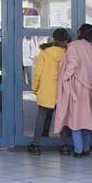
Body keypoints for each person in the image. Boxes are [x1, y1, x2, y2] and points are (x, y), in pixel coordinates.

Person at [53, 23, 92, 157]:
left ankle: (78, 150)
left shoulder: (72, 46)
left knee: (76, 120)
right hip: (89, 87)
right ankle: (86, 148)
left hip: (76, 87)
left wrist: (65, 78)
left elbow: (73, 64)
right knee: (88, 120)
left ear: (79, 33)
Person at [28, 28, 70, 156]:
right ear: (66, 39)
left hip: (46, 90)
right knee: (62, 118)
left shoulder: (44, 53)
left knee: (41, 118)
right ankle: (64, 146)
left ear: (53, 38)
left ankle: (36, 145)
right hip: (62, 91)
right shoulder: (68, 53)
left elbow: (38, 74)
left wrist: (35, 88)